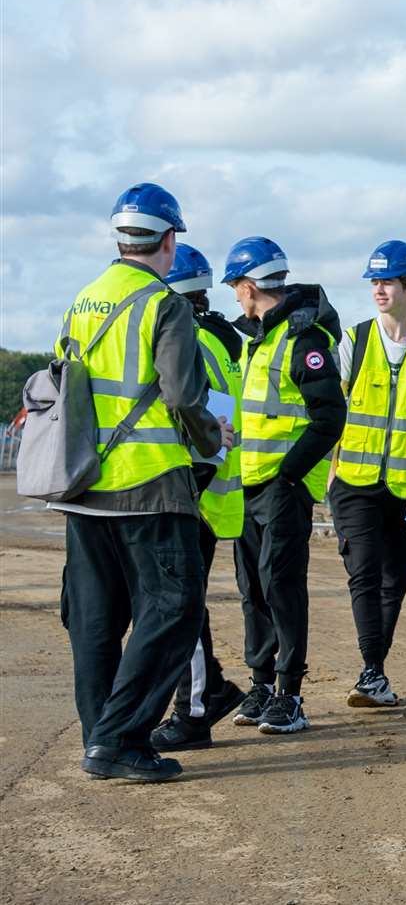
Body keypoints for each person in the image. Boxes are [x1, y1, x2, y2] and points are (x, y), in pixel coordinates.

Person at [52, 185, 222, 781]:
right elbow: (182, 395)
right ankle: (119, 739)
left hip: (85, 488)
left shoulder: (83, 300)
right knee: (175, 609)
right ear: (169, 240)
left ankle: (100, 735)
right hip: (149, 485)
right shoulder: (164, 305)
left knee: (95, 619)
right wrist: (211, 440)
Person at [222, 236, 344, 736]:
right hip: (249, 485)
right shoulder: (259, 340)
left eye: (235, 288)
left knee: (281, 585)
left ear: (250, 287)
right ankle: (261, 684)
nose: (233, 297)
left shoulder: (303, 341)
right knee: (252, 587)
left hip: (283, 487)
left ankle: (290, 694)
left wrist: (290, 473)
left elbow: (330, 416)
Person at [329, 240, 406, 707]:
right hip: (354, 482)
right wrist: (332, 473)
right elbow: (333, 412)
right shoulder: (354, 340)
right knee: (364, 571)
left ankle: (374, 668)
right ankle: (371, 670)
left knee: (398, 575)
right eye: (375, 281)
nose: (379, 289)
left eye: (389, 281)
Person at [149, 244, 248, 751]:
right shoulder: (223, 340)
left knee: (180, 610)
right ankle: (210, 689)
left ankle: (193, 710)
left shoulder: (193, 341)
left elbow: (196, 422)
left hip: (195, 494)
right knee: (187, 608)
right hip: (215, 498)